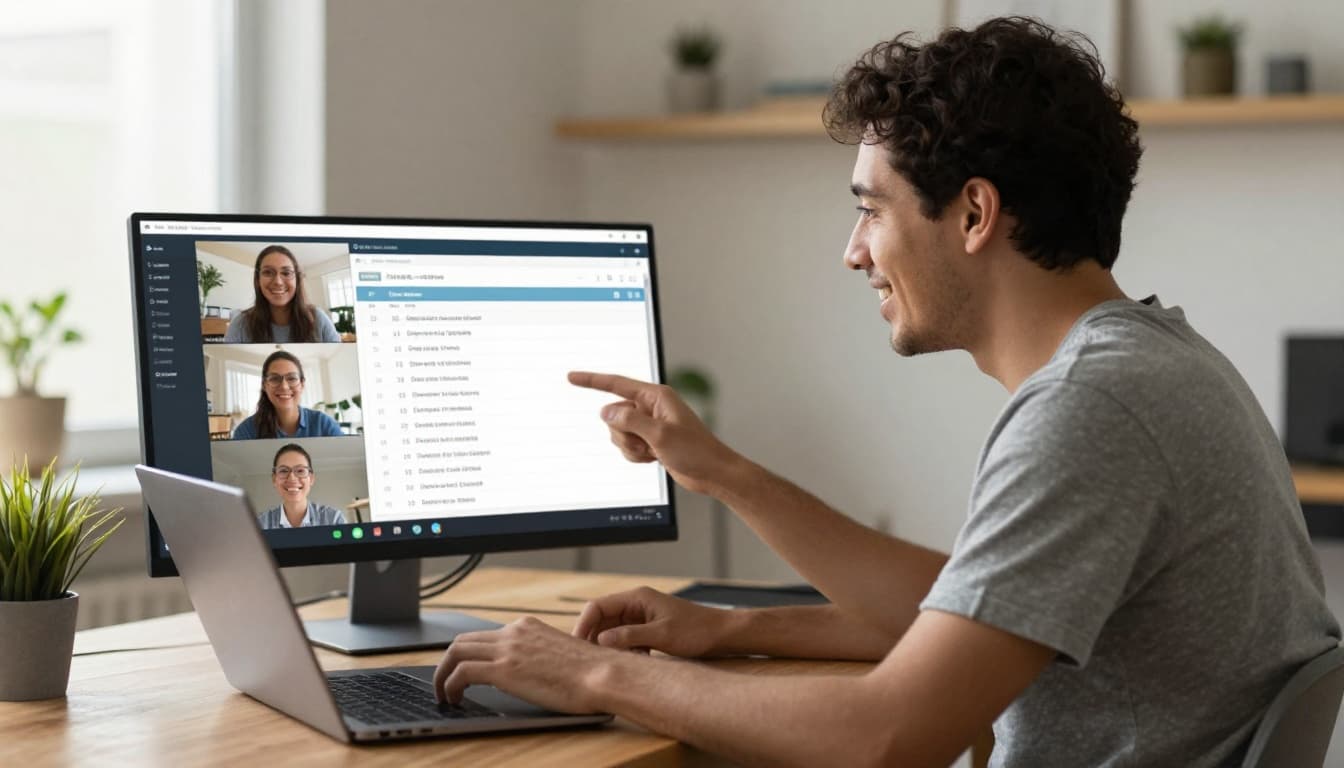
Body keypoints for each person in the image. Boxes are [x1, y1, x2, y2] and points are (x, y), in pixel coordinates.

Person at [430, 17, 1341, 767]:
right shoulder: (1155, 360)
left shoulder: (1092, 410)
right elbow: (973, 608)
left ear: (975, 215)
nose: (853, 249)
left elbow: (889, 736)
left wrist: (593, 677)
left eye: (872, 208)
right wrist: (728, 586)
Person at [222, 244, 341, 343]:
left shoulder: (318, 319)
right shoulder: (240, 324)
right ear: (258, 280)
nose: (278, 282)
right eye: (268, 272)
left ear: (297, 280)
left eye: (286, 273)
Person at [232, 350, 344, 439]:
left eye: (291, 378)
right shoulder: (246, 431)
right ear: (264, 385)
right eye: (275, 379)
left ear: (302, 384)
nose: (284, 386)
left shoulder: (324, 424)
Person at [255, 443, 347, 529]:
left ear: (311, 479)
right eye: (283, 471)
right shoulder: (259, 524)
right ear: (274, 479)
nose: (292, 478)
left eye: (300, 471)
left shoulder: (334, 519)